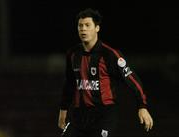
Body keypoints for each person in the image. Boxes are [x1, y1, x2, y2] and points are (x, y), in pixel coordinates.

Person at [58, 8, 153, 137]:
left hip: (103, 115)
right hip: (79, 115)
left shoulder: (110, 55)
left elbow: (132, 80)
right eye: (80, 26)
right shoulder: (73, 54)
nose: (83, 29)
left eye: (87, 25)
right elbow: (70, 83)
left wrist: (142, 106)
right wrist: (63, 109)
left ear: (97, 28)